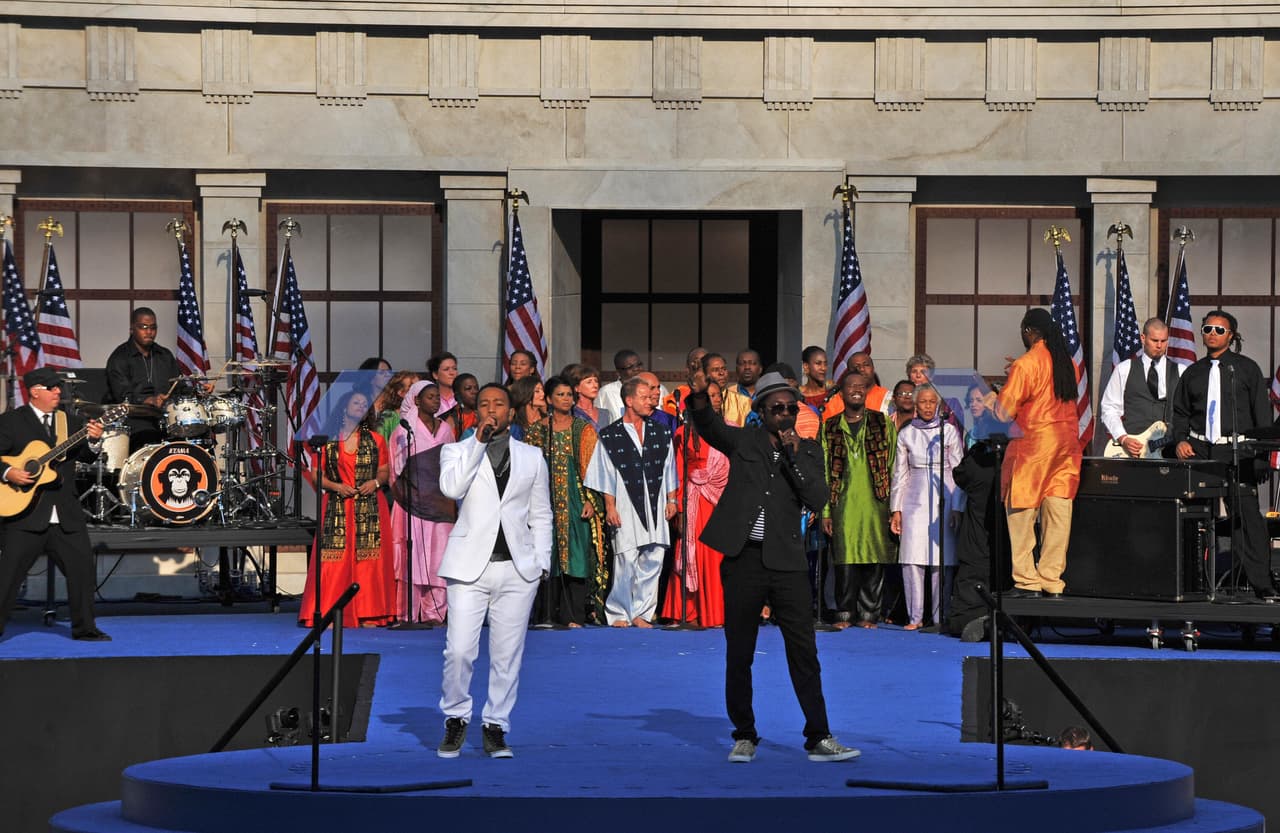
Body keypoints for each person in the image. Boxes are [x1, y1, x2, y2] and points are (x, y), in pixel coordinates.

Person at [686, 370, 860, 764]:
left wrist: (794, 454)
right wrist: (698, 396)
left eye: (790, 408)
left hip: (787, 562)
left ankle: (818, 736)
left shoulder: (809, 449)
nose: (785, 414)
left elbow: (816, 497)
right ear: (761, 410)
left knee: (804, 651)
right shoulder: (743, 440)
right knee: (740, 652)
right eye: (777, 408)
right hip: (744, 558)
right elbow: (709, 425)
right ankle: (744, 734)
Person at [437, 383, 553, 759]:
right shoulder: (456, 450)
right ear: (475, 412)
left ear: (511, 411)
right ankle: (455, 716)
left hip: (518, 569)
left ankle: (496, 726)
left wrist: (541, 562)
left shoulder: (532, 456)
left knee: (507, 655)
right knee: (459, 651)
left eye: (498, 404)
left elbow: (541, 513)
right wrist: (478, 443)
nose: (491, 409)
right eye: (483, 404)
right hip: (469, 567)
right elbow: (453, 488)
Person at [1172, 310, 1280, 602]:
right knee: (1190, 518)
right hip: (1202, 454)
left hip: (1238, 453)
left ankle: (1263, 585)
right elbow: (1180, 412)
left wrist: (1259, 460)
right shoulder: (1193, 372)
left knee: (1248, 520)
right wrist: (1180, 440)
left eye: (1220, 330)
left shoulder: (1246, 369)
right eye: (1208, 328)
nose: (1212, 334)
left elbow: (1262, 415)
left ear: (1231, 336)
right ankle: (1191, 585)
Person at [0, 368, 110, 642]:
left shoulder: (71, 423)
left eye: (58, 387)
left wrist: (94, 441)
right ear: (34, 391)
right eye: (51, 387)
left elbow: (86, 454)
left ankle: (85, 629)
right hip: (24, 515)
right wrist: (8, 472)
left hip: (65, 514)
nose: (58, 391)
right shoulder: (11, 422)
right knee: (7, 579)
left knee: (83, 572)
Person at [995, 308, 1083, 599]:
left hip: (1033, 446)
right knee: (1058, 515)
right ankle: (1052, 579)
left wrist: (993, 394)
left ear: (1029, 331)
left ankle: (1027, 581)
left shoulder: (1026, 363)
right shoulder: (1068, 362)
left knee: (1021, 513)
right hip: (1067, 446)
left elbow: (1003, 413)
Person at [584, 376, 678, 628]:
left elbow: (669, 466)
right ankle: (618, 612)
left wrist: (672, 498)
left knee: (654, 557)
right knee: (626, 558)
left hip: (656, 503)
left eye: (651, 397)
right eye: (645, 397)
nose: (651, 401)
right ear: (629, 400)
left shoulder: (660, 431)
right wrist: (610, 506)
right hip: (624, 504)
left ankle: (642, 613)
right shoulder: (611, 434)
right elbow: (605, 473)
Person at [299, 390, 395, 627]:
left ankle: (370, 612)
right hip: (336, 505)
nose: (361, 406)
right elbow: (316, 475)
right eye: (356, 402)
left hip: (370, 505)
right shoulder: (326, 440)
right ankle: (331, 612)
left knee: (369, 560)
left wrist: (375, 483)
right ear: (344, 408)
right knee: (334, 560)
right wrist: (336, 486)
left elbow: (384, 471)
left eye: (365, 404)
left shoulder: (376, 439)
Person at [523, 376, 607, 627]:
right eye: (560, 394)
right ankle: (547, 614)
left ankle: (574, 616)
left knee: (577, 555)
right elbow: (526, 468)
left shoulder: (583, 429)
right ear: (548, 399)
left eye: (569, 394)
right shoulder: (537, 431)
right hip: (543, 501)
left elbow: (595, 468)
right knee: (548, 555)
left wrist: (591, 500)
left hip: (575, 500)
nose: (566, 399)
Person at [821, 372, 897, 629]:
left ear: (866, 391)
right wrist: (825, 512)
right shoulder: (829, 426)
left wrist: (892, 505)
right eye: (850, 386)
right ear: (841, 392)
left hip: (875, 503)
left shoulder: (882, 422)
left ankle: (868, 615)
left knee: (874, 560)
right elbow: (823, 469)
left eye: (861, 387)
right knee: (844, 560)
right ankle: (844, 613)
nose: (856, 390)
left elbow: (892, 465)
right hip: (842, 505)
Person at [890, 384, 964, 630]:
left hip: (944, 493)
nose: (928, 406)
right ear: (915, 404)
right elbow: (899, 474)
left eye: (932, 402)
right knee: (912, 557)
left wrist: (956, 506)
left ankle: (939, 616)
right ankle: (915, 617)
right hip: (914, 497)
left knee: (940, 559)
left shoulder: (950, 432)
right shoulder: (906, 433)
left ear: (939, 405)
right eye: (923, 402)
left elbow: (958, 471)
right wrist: (896, 510)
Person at [661, 379, 732, 627]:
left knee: (717, 559)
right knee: (690, 554)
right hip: (694, 503)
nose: (712, 400)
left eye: (716, 396)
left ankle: (715, 614)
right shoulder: (683, 433)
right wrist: (679, 508)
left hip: (721, 502)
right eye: (707, 396)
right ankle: (688, 612)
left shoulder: (732, 430)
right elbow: (677, 473)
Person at [389, 380, 456, 625]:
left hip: (440, 506)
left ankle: (434, 614)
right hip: (412, 506)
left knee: (439, 558)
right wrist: (410, 496)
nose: (435, 400)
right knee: (412, 559)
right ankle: (407, 614)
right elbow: (396, 471)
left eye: (437, 396)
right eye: (429, 396)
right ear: (416, 400)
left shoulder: (446, 429)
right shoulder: (404, 430)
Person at [1100, 318, 1181, 458]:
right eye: (1155, 341)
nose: (1159, 345)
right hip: (1134, 449)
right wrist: (1123, 438)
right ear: (1143, 338)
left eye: (1164, 341)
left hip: (1167, 450)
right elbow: (1109, 408)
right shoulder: (1124, 369)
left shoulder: (1180, 371)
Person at [104, 306, 182, 449]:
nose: (149, 332)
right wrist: (149, 400)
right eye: (143, 327)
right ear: (132, 329)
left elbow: (179, 386)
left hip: (165, 419)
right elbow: (122, 396)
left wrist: (198, 390)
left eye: (153, 328)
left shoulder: (165, 355)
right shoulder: (119, 357)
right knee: (149, 434)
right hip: (133, 422)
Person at [823, 352, 892, 422]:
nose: (861, 369)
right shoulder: (836, 401)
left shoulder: (890, 399)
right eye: (856, 366)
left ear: (873, 368)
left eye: (866, 365)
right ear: (849, 372)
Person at [596, 349, 647, 425]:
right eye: (630, 367)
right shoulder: (606, 392)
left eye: (639, 365)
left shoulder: (657, 389)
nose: (636, 369)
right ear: (618, 371)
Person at [703, 352, 753, 428]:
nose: (721, 373)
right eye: (715, 370)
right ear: (705, 374)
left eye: (724, 369)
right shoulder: (698, 401)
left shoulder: (744, 402)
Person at [373, 370, 421, 441]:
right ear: (401, 393)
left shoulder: (427, 415)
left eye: (421, 386)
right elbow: (380, 444)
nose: (420, 390)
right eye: (413, 387)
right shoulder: (389, 417)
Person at [663, 346, 707, 418]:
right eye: (696, 364)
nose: (701, 368)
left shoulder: (722, 395)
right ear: (688, 369)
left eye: (706, 363)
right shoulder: (676, 397)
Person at [565, 363, 604, 430]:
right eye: (589, 382)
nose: (595, 386)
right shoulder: (570, 413)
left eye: (596, 381)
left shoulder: (606, 414)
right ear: (577, 388)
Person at [441, 372, 479, 440]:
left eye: (476, 388)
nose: (474, 392)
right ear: (457, 394)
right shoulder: (451, 419)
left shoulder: (481, 412)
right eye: (468, 388)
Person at [507, 376, 545, 441]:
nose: (543, 394)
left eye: (542, 390)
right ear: (526, 394)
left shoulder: (548, 420)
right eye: (537, 391)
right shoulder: (514, 425)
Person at [800, 346, 831, 413]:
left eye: (825, 364)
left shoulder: (832, 394)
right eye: (818, 363)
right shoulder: (798, 396)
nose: (823, 368)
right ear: (806, 366)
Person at [427, 351, 460, 416]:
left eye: (454, 369)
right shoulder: (429, 400)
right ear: (435, 375)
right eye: (446, 369)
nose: (452, 373)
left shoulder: (462, 398)